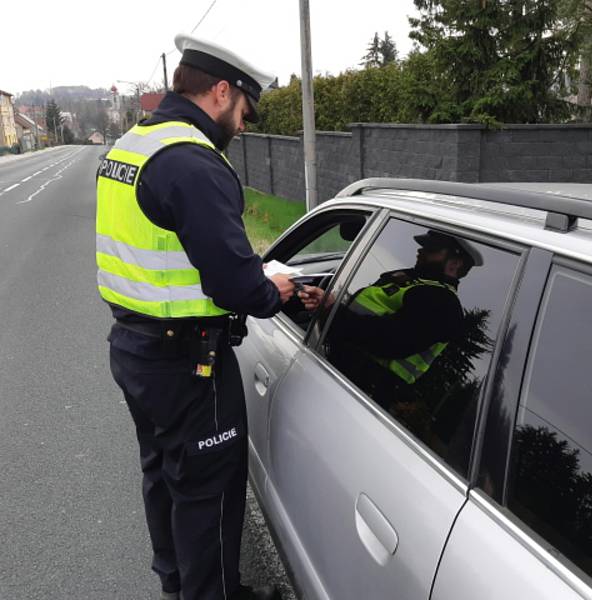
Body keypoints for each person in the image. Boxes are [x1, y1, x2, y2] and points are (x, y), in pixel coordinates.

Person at [96, 33, 294, 600]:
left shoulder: (134, 144)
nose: (245, 125)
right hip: (189, 364)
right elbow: (235, 284)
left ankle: (178, 582)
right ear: (222, 92)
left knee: (164, 473)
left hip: (136, 350)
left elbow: (172, 245)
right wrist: (274, 290)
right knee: (209, 490)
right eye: (246, 111)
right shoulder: (193, 163)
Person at [299, 230, 482, 408]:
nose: (420, 251)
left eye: (431, 249)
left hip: (363, 395)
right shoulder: (416, 282)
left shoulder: (443, 303)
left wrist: (333, 310)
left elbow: (389, 339)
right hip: (338, 371)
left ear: (455, 264)